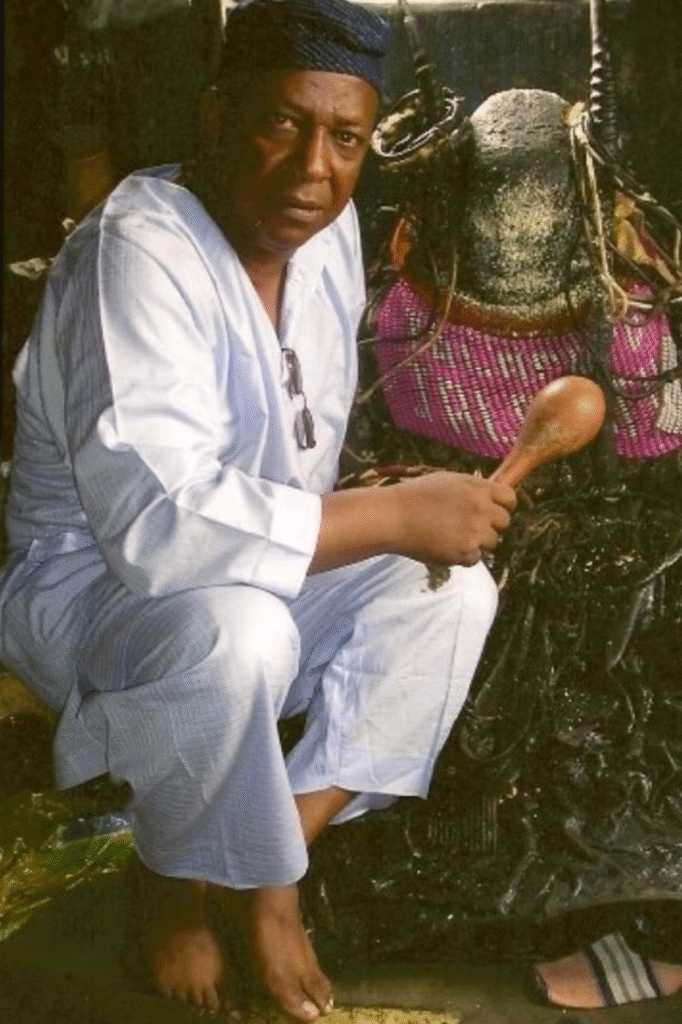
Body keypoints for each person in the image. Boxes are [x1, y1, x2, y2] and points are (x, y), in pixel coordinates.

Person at [0, 1, 517, 1018]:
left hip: (251, 570)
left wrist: (381, 518)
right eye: (282, 122)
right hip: (93, 594)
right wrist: (394, 514)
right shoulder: (135, 250)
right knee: (241, 636)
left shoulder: (328, 230)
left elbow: (297, 444)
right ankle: (232, 890)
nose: (312, 170)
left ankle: (247, 847)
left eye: (346, 138)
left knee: (447, 594)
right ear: (215, 114)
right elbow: (161, 530)